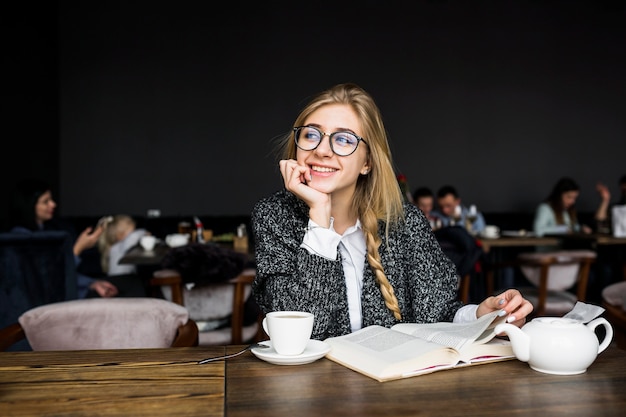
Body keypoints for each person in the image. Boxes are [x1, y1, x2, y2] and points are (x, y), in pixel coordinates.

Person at [251, 83, 532, 340]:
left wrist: (483, 317)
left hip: (392, 391)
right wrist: (320, 218)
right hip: (313, 390)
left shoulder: (404, 222)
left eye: (344, 140)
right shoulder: (275, 217)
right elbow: (297, 334)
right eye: (312, 134)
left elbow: (439, 314)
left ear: (367, 162)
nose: (322, 150)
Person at [8, 178, 118, 298]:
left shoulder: (47, 230)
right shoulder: (20, 238)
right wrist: (78, 248)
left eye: (51, 200)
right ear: (30, 205)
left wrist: (92, 283)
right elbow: (50, 279)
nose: (53, 204)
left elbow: (64, 275)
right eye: (46, 201)